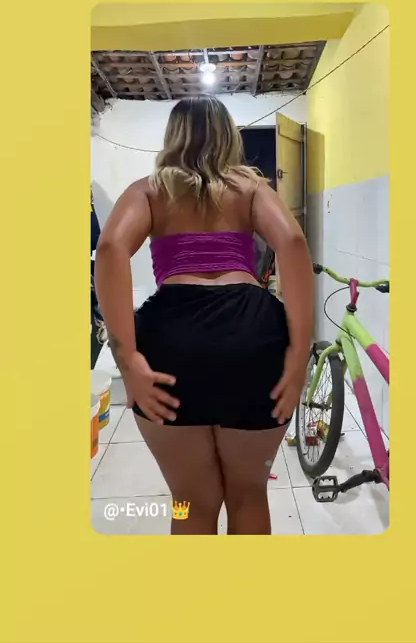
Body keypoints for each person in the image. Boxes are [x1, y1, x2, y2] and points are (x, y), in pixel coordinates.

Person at [95, 96, 313, 535]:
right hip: (254, 336)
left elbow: (111, 247)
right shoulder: (250, 187)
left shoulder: (150, 189)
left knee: (189, 500)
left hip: (170, 339)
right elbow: (291, 242)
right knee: (249, 493)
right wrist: (298, 354)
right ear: (228, 135)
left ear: (172, 135)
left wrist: (128, 359)